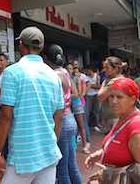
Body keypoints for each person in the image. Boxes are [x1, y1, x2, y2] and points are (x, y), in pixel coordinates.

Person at [0, 26, 64, 183]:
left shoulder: (12, 72)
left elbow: (6, 117)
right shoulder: (53, 76)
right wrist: (51, 142)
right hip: (49, 153)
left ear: (21, 44)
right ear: (40, 47)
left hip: (22, 157)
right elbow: (59, 117)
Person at [85, 77, 140, 184]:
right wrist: (101, 153)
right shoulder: (122, 118)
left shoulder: (136, 126)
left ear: (132, 99)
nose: (114, 101)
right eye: (111, 96)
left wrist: (108, 174)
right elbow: (122, 148)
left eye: (119, 97)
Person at [46, 45, 82, 184]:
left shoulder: (54, 75)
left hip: (62, 121)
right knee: (71, 165)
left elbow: (56, 101)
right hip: (70, 118)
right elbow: (75, 93)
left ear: (47, 59)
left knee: (62, 169)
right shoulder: (65, 72)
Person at [66, 63, 89, 154]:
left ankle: (85, 145)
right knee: (71, 127)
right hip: (68, 105)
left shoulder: (76, 79)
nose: (69, 70)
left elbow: (78, 94)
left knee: (81, 125)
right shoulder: (63, 79)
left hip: (76, 104)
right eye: (67, 68)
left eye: (71, 68)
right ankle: (73, 145)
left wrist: (66, 96)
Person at [97, 56, 124, 133]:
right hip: (108, 119)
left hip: (118, 119)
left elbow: (100, 96)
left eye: (107, 68)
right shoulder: (107, 81)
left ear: (115, 69)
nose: (104, 70)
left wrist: (110, 85)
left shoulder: (121, 81)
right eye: (104, 67)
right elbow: (100, 96)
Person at [84, 65, 102, 137]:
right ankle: (87, 125)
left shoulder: (97, 76)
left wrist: (89, 85)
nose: (87, 72)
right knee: (87, 111)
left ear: (91, 70)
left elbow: (99, 86)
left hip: (96, 95)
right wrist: (92, 85)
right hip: (88, 95)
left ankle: (97, 124)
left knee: (96, 110)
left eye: (88, 70)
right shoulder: (85, 77)